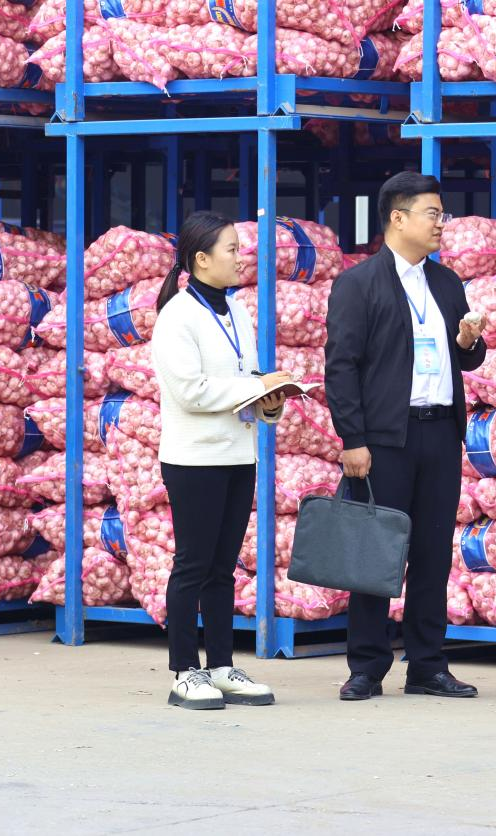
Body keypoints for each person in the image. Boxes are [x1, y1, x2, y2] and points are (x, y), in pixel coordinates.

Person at [325, 172, 489, 701]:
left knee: (433, 554)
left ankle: (427, 665)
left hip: (439, 432)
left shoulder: (446, 283)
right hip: (384, 439)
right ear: (398, 218)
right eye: (432, 214)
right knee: (374, 553)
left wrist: (468, 342)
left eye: (442, 214)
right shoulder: (359, 284)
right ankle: (367, 666)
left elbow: (467, 358)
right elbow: (341, 367)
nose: (441, 224)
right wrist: (352, 439)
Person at [151, 210, 296, 711]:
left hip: (237, 453)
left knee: (222, 568)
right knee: (192, 565)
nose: (240, 257)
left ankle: (219, 665)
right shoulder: (176, 317)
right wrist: (254, 385)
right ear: (201, 259)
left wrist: (269, 400)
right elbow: (191, 391)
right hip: (194, 459)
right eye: (232, 249)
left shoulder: (237, 310)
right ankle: (183, 672)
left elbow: (243, 380)